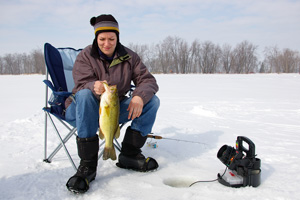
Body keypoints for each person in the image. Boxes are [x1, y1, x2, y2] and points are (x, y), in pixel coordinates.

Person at [64, 14, 160, 193]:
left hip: (112, 109)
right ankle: (87, 166)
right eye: (102, 39)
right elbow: (79, 85)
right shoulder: (86, 55)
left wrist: (139, 96)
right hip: (82, 110)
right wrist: (93, 86)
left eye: (111, 38)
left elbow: (148, 81)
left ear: (118, 37)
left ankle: (129, 155)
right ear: (96, 38)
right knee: (85, 94)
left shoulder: (130, 56)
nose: (106, 43)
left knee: (152, 101)